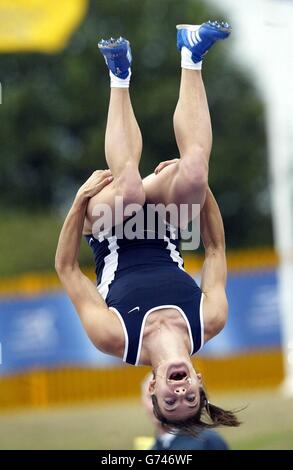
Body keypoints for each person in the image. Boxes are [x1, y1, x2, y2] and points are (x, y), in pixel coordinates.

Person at [55, 20, 240, 436]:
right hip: (163, 222)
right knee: (193, 170)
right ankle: (191, 55)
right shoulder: (208, 319)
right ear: (199, 381)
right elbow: (214, 249)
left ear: (153, 386)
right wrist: (199, 185)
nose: (180, 394)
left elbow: (67, 269)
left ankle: (119, 77)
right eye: (190, 397)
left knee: (131, 189)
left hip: (107, 222)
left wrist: (79, 201)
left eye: (169, 401)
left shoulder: (115, 337)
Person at [136, 374, 229, 450]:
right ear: (142, 402)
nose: (157, 405)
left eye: (166, 398)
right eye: (151, 398)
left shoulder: (208, 441)